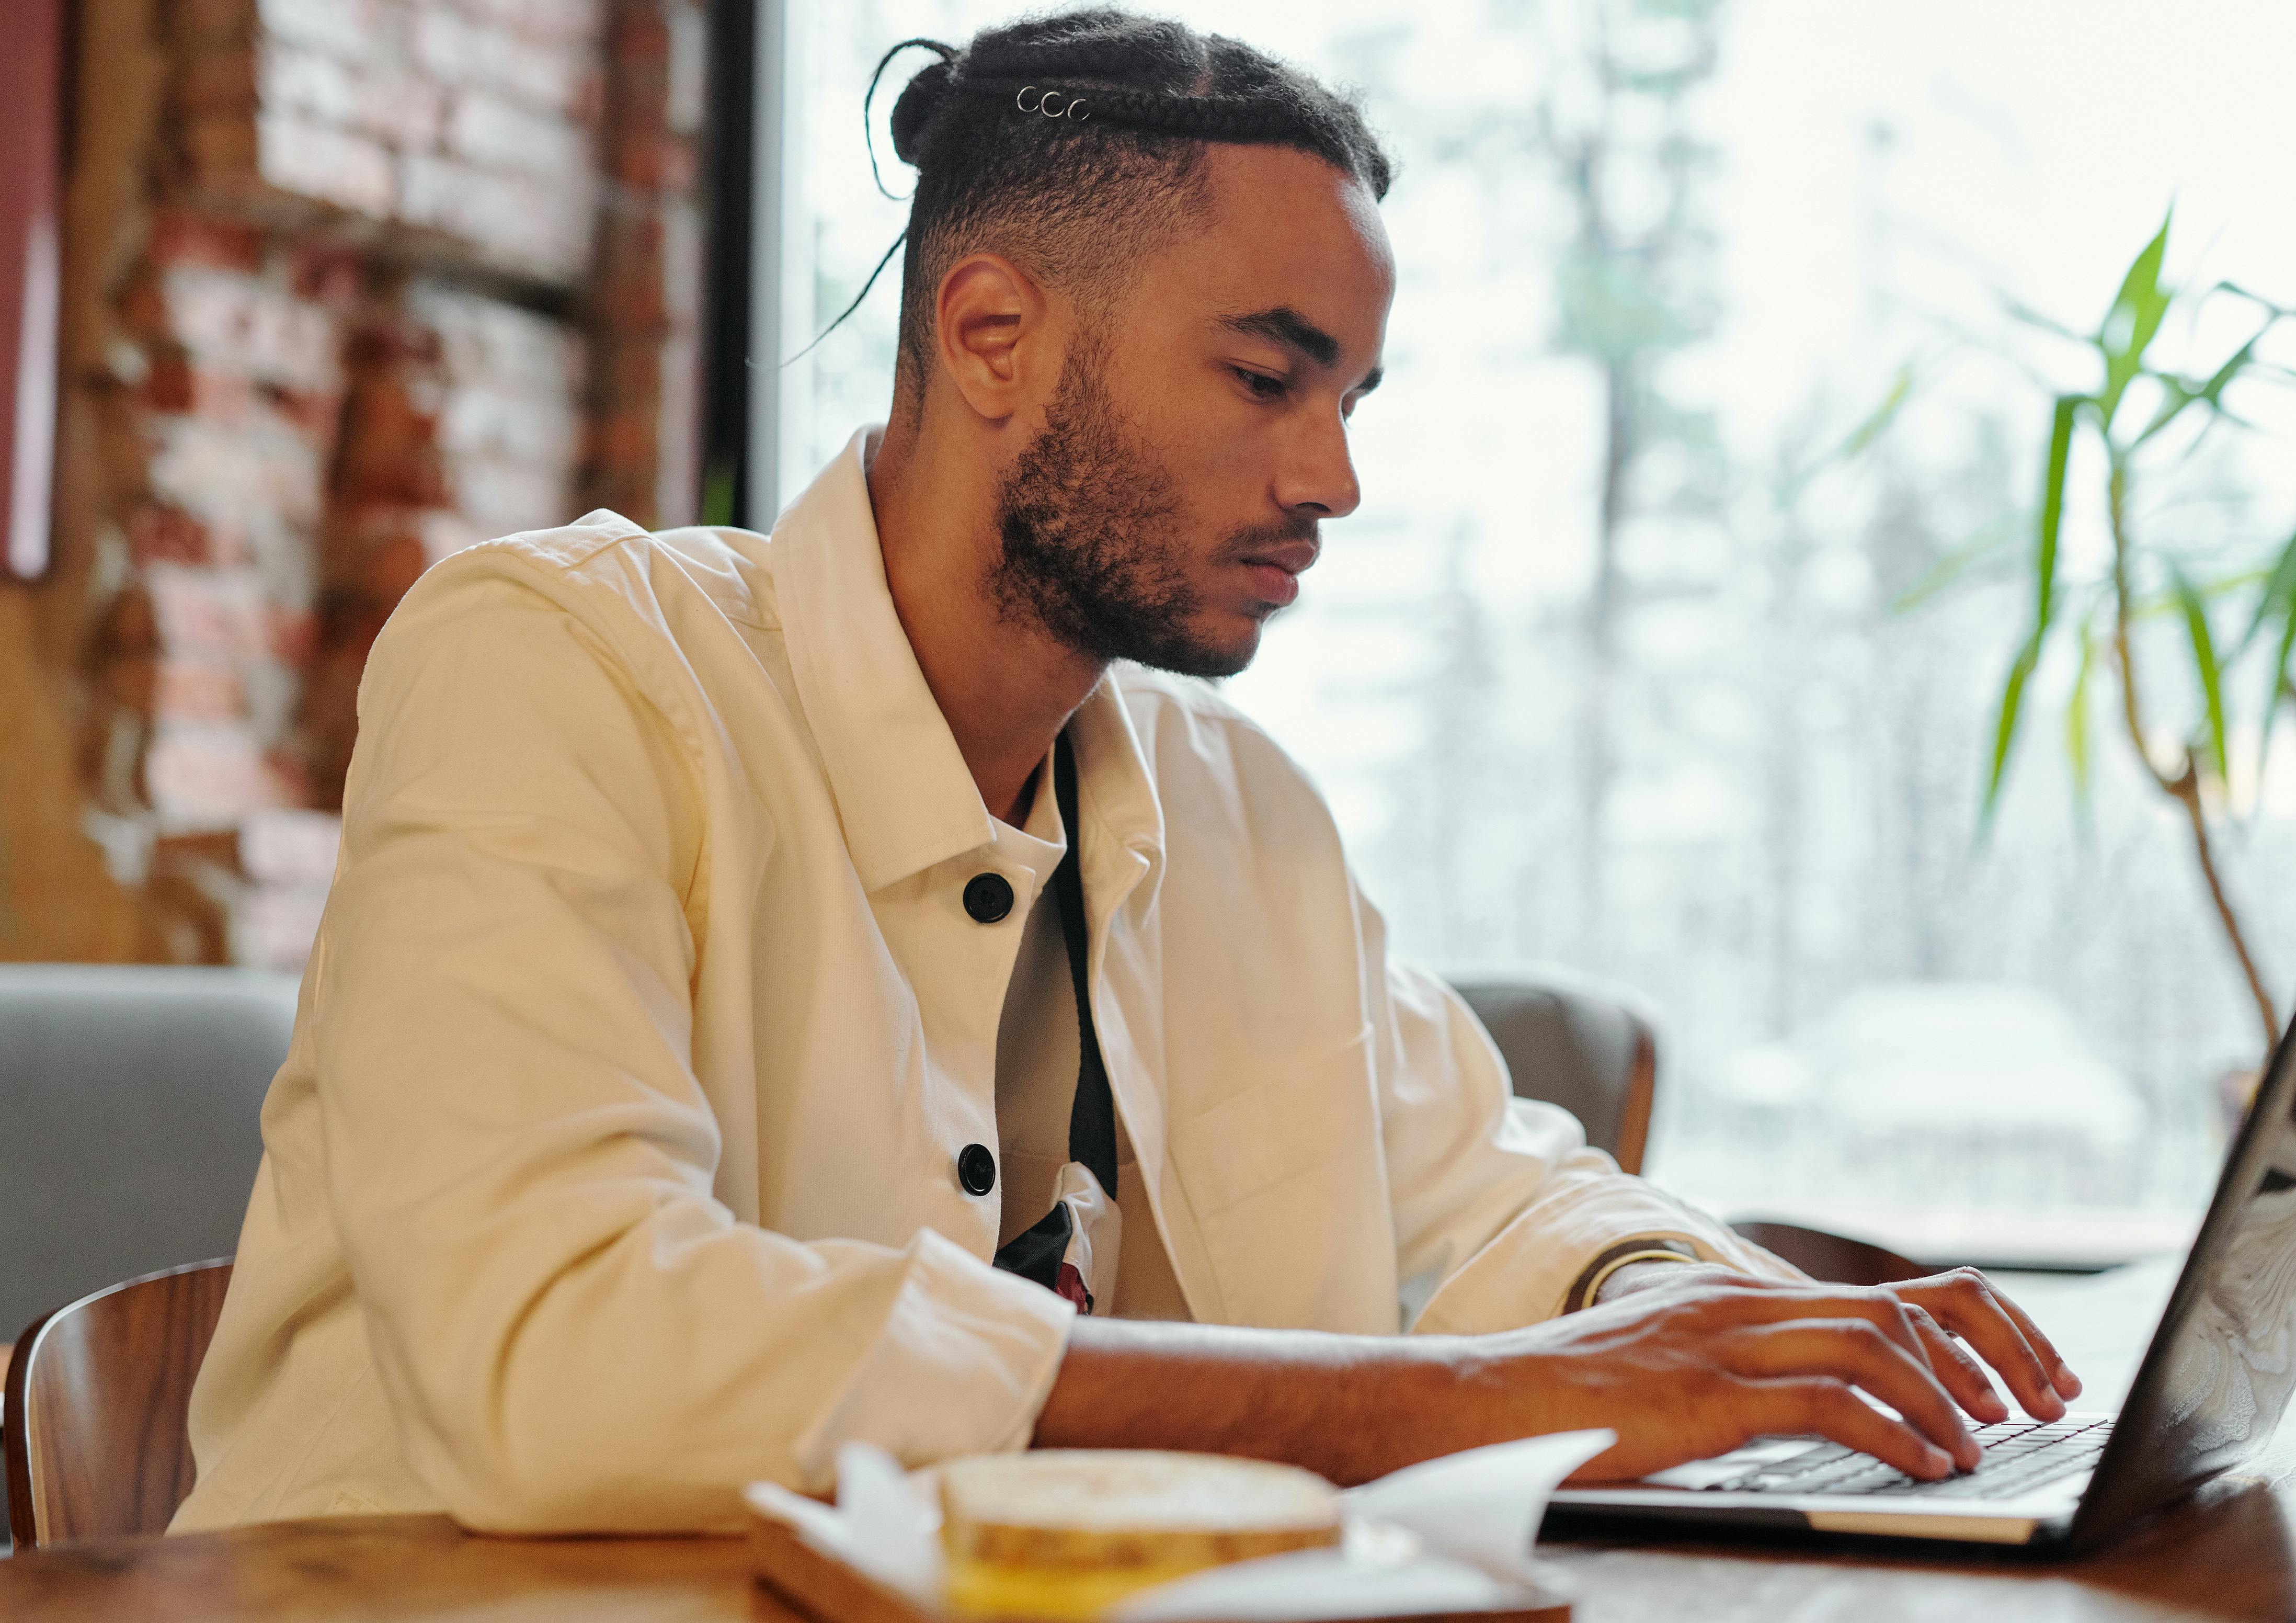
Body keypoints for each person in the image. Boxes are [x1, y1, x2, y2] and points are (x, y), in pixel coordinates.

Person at [173, 6, 2078, 1535]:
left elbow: (1491, 1194)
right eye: (1270, 376)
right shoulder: (556, 658)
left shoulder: (1236, 801)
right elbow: (568, 1348)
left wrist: (1712, 1322)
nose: (1334, 476)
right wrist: (1456, 1406)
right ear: (992, 332)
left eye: (1353, 398)